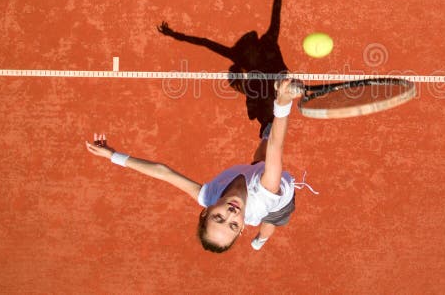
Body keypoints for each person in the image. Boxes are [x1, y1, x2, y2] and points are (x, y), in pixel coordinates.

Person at [84, 79, 303, 253]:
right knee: (271, 221)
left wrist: (113, 156)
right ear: (243, 227)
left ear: (206, 211)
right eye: (234, 225)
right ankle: (260, 240)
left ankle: (267, 131)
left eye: (219, 218)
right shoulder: (266, 193)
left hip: (256, 171)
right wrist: (282, 104)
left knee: (258, 159)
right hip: (277, 204)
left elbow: (164, 173)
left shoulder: (208, 195)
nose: (231, 214)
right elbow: (277, 146)